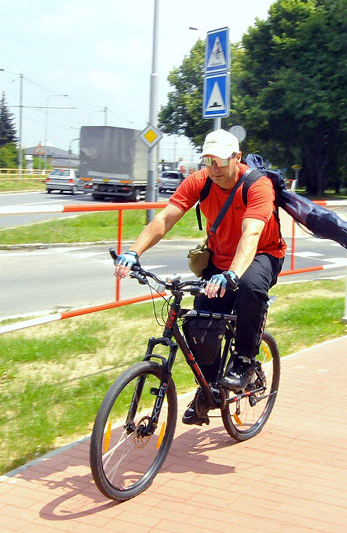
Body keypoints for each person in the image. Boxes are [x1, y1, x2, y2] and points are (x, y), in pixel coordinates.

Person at [114, 129, 286, 425]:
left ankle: (244, 362)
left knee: (249, 287)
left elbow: (252, 233)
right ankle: (210, 391)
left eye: (220, 162)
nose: (215, 169)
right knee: (197, 323)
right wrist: (133, 252)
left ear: (237, 158)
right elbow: (165, 218)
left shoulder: (258, 186)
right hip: (219, 259)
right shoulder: (200, 181)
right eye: (209, 161)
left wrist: (232, 273)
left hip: (263, 253)